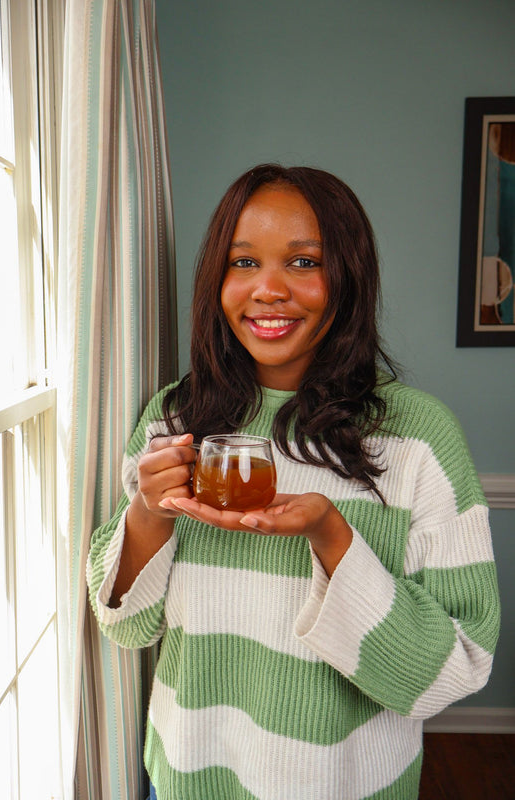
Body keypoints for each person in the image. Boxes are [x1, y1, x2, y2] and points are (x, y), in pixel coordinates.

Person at [87, 164, 500, 800]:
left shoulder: (419, 439)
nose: (268, 289)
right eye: (243, 262)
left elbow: (450, 673)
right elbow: (126, 626)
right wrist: (150, 509)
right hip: (187, 778)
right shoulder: (176, 419)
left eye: (304, 263)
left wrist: (332, 537)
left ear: (348, 278)